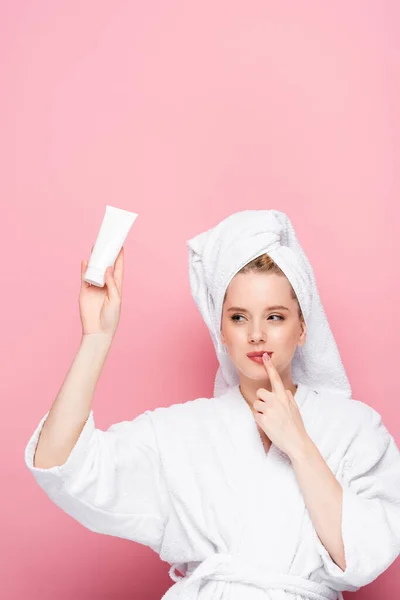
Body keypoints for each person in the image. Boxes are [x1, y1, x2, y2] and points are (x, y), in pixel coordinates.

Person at [24, 210, 400, 600]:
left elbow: (362, 556)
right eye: (239, 318)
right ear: (221, 329)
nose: (256, 334)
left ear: (303, 327)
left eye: (275, 316)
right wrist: (96, 337)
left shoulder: (355, 428)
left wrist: (301, 447)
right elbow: (62, 465)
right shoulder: (181, 430)